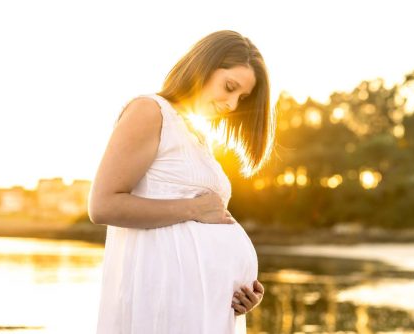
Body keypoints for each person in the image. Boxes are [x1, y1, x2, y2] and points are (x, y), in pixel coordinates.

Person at [88, 30, 276, 334]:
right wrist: (194, 209)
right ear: (204, 66)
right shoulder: (150, 111)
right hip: (163, 305)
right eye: (230, 87)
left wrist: (238, 290)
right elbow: (102, 205)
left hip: (206, 311)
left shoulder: (197, 136)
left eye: (241, 99)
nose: (231, 104)